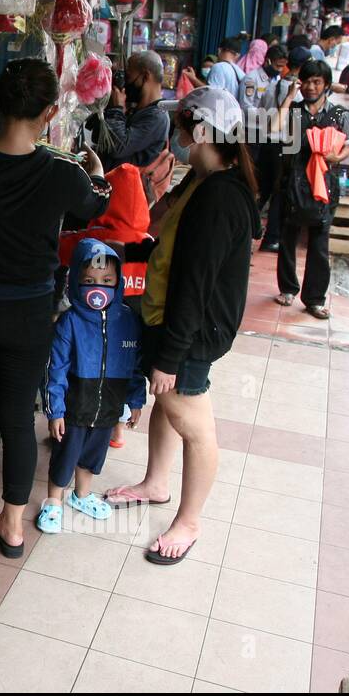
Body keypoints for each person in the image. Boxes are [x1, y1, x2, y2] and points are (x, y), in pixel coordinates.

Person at [0, 58, 111, 558]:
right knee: (18, 416)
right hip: (30, 311)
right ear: (51, 111)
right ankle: (11, 526)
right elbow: (95, 203)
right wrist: (94, 171)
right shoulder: (62, 172)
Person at [104, 86, 261, 564]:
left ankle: (189, 521)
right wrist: (129, 254)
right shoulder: (203, 182)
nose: (175, 134)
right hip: (169, 319)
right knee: (167, 408)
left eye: (182, 125)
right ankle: (155, 483)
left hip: (191, 332)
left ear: (202, 130)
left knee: (192, 423)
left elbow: (195, 284)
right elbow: (169, 248)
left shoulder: (219, 198)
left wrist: (170, 355)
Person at [39, 239, 147, 534]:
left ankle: (82, 495)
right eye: (88, 281)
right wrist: (55, 411)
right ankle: (54, 502)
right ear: (75, 281)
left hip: (109, 406)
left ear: (118, 283)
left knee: (92, 456)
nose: (98, 288)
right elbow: (54, 369)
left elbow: (135, 363)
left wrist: (136, 400)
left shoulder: (127, 321)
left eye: (107, 281)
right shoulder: (69, 322)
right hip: (75, 406)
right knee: (65, 455)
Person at [57, 163, 152, 448]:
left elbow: (60, 249)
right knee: (125, 370)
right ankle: (119, 428)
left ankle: (83, 426)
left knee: (92, 370)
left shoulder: (96, 238)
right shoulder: (148, 242)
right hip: (136, 321)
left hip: (94, 323)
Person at [273, 59, 349, 319]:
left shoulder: (339, 115)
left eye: (316, 82)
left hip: (324, 185)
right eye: (306, 81)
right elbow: (274, 128)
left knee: (319, 243)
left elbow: (348, 146)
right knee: (288, 237)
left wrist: (335, 157)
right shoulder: (295, 111)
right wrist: (288, 97)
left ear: (326, 85)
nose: (310, 86)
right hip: (293, 182)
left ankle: (315, 299)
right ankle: (287, 289)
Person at [256, 46, 312, 252]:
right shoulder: (298, 94)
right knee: (280, 193)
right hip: (285, 146)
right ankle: (271, 238)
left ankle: (248, 230)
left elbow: (262, 113)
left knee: (262, 190)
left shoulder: (272, 86)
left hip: (267, 144)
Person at [102, 51, 172, 188]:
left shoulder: (157, 117)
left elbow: (118, 147)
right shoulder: (140, 109)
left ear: (145, 76)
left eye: (128, 77)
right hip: (110, 182)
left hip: (121, 191)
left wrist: (116, 109)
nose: (125, 83)